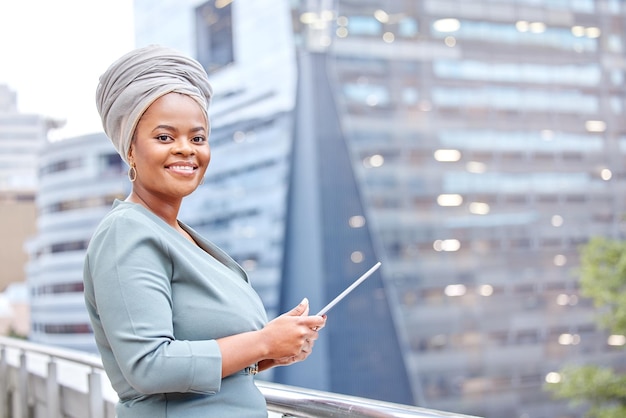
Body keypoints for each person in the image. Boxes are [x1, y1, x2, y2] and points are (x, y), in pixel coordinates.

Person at [83, 45, 326, 418]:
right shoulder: (126, 232)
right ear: (130, 149)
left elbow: (200, 364)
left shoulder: (180, 235)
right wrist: (262, 340)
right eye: (165, 137)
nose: (186, 150)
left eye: (197, 138)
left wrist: (271, 351)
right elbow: (149, 366)